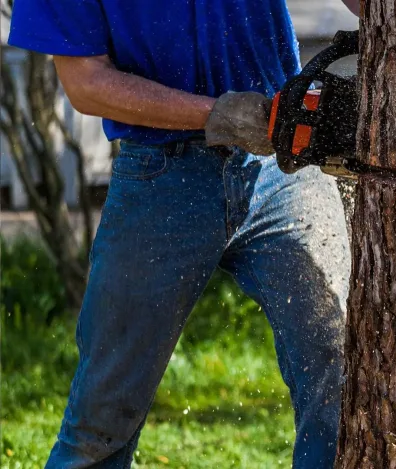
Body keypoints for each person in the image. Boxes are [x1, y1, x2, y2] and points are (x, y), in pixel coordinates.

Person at [7, 0, 360, 467]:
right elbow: (86, 83)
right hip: (159, 175)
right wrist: (217, 114)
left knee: (340, 371)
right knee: (103, 412)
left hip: (282, 166)